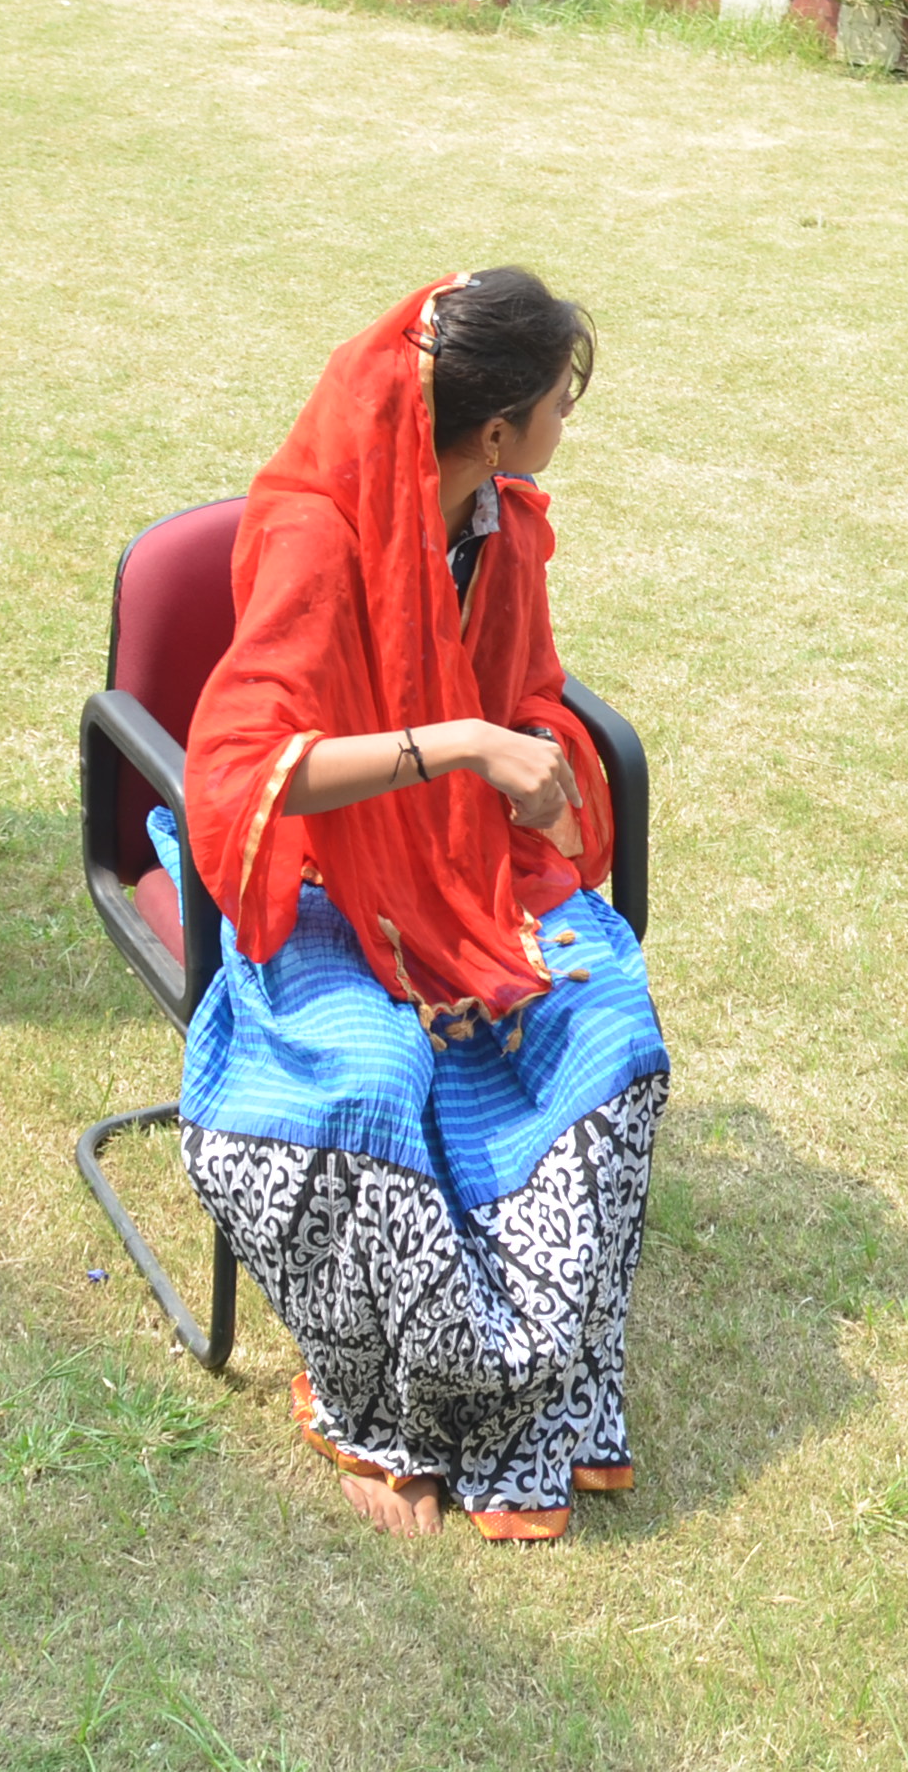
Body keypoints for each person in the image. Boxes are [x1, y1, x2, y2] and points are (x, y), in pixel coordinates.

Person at [175, 271, 668, 1544]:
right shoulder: (314, 533)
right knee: (371, 1077)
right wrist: (458, 746)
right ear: (497, 428)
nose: (568, 421)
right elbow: (239, 771)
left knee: (609, 1029)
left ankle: (534, 1398)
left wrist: (541, 762)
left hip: (468, 867)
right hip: (324, 873)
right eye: (558, 402)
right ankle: (379, 1400)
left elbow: (531, 691)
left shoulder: (501, 527)